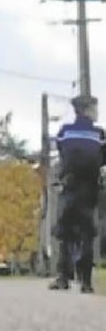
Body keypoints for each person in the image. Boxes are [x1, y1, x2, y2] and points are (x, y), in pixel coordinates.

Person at [49, 95, 106, 294]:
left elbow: (62, 152)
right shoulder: (99, 134)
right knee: (87, 234)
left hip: (69, 187)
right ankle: (86, 282)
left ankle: (63, 278)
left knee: (64, 234)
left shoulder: (65, 132)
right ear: (88, 110)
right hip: (89, 189)